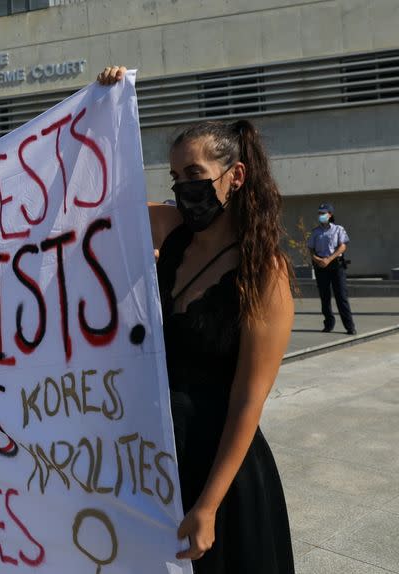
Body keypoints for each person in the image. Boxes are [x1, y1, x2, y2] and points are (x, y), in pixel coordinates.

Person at [98, 67, 295, 573]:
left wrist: (208, 505)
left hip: (221, 473)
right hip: (162, 457)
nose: (185, 189)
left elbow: (248, 400)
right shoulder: (175, 235)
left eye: (195, 176)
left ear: (237, 176)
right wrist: (105, 107)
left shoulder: (263, 272)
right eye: (176, 177)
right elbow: (91, 206)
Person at [307, 203, 356, 335]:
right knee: (325, 297)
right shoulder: (315, 232)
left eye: (323, 213)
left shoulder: (338, 229)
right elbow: (310, 248)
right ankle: (328, 324)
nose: (321, 216)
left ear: (330, 214)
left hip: (336, 266)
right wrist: (317, 260)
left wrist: (329, 259)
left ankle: (349, 326)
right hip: (321, 266)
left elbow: (342, 246)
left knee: (341, 296)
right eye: (319, 213)